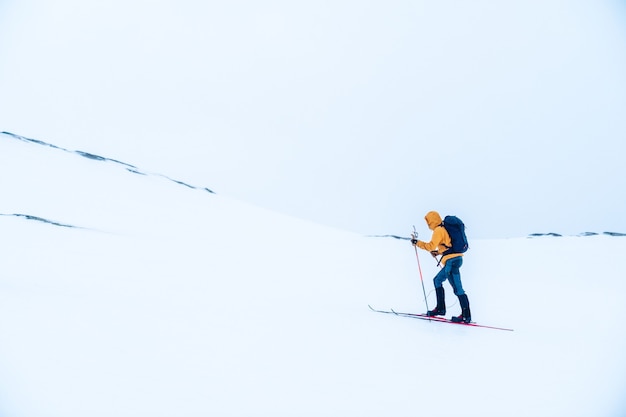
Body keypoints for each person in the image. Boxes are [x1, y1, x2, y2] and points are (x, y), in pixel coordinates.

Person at [411, 210, 471, 323]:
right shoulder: (443, 229)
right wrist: (438, 253)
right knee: (437, 280)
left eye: (428, 221)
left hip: (451, 261)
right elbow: (448, 245)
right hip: (455, 259)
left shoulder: (438, 230)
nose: (428, 224)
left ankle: (466, 315)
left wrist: (417, 243)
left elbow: (430, 246)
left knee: (458, 288)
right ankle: (440, 309)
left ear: (432, 221)